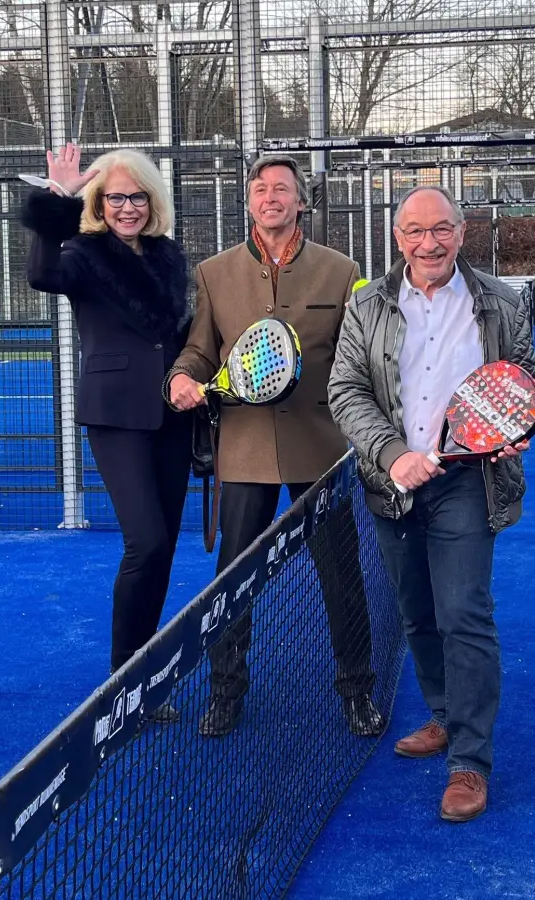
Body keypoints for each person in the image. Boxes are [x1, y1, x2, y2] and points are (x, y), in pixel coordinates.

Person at [328, 184, 535, 823]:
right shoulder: (367, 306)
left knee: (463, 613)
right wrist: (393, 455)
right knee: (417, 614)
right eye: (416, 232)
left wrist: (517, 428)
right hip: (394, 483)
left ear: (461, 231)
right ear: (398, 240)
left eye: (441, 229)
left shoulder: (501, 303)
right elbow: (345, 390)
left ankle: (470, 762)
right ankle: (445, 715)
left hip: (467, 483)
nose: (429, 243)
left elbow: (525, 380)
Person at [166, 155, 383, 740]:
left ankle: (357, 688)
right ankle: (226, 693)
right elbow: (199, 351)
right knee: (233, 581)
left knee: (341, 576)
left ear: (300, 201)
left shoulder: (342, 271)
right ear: (249, 201)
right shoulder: (214, 273)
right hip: (245, 449)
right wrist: (183, 378)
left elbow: (358, 355)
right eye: (260, 189)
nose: (270, 197)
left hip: (323, 449)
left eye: (281, 189)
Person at [19, 143, 194, 716]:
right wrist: (59, 199)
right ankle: (123, 684)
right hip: (116, 413)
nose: (127, 207)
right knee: (144, 542)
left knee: (164, 547)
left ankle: (143, 675)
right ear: (98, 201)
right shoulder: (81, 252)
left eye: (136, 196)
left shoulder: (168, 256)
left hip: (172, 414)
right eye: (115, 197)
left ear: (152, 200)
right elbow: (42, 273)